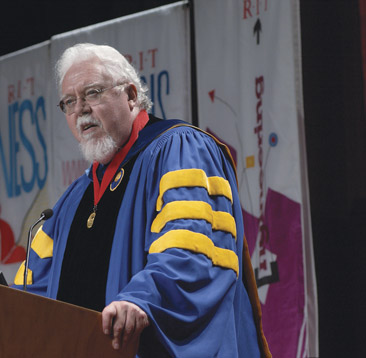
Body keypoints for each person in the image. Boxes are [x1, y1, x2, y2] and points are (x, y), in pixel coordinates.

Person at [13, 43, 270, 357]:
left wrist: (140, 299)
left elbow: (191, 250)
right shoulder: (72, 201)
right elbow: (30, 294)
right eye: (69, 101)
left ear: (131, 95)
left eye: (92, 93)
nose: (81, 109)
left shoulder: (179, 149)